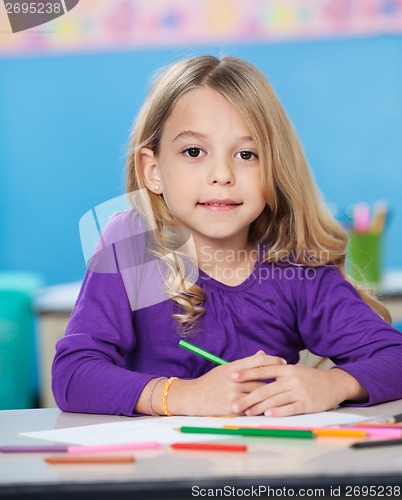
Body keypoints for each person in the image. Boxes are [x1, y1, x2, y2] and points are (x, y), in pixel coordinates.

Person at [52, 55, 402, 418]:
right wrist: (183, 396)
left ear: (275, 169)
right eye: (194, 152)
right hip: (154, 467)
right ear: (153, 170)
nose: (222, 174)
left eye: (247, 154)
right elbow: (73, 375)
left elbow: (395, 357)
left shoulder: (296, 264)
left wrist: (332, 384)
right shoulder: (131, 244)